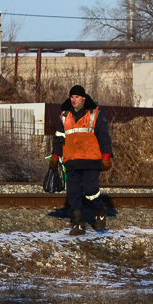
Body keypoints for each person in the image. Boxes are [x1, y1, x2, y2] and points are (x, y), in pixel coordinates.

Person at [50, 84, 113, 236]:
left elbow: (104, 136)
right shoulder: (65, 116)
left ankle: (99, 210)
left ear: (83, 98)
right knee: (73, 193)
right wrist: (55, 156)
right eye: (72, 97)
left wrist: (106, 156)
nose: (74, 100)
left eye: (77, 97)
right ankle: (78, 224)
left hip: (91, 159)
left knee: (90, 190)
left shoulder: (95, 113)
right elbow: (59, 138)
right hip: (71, 160)